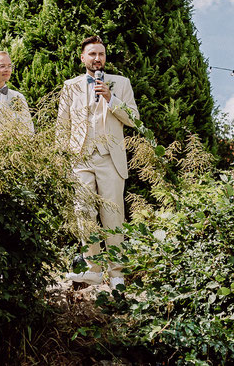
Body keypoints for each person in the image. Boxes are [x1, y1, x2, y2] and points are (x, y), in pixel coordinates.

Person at [57, 36, 138, 288]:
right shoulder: (70, 86)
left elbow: (133, 118)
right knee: (83, 213)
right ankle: (92, 269)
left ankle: (116, 273)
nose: (97, 58)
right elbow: (63, 125)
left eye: (101, 54)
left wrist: (111, 99)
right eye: (92, 54)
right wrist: (61, 158)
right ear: (83, 58)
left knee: (113, 214)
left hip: (109, 158)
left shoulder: (120, 83)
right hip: (80, 158)